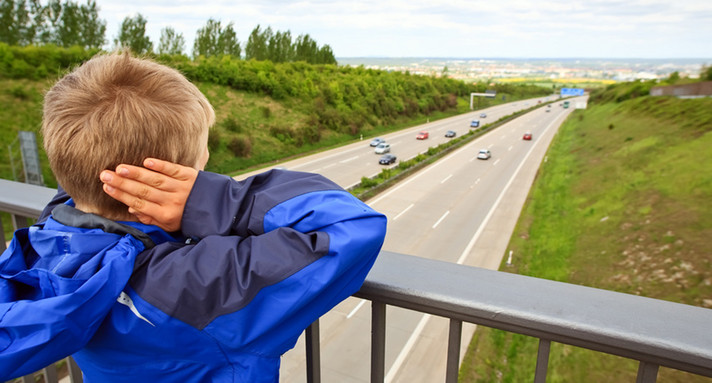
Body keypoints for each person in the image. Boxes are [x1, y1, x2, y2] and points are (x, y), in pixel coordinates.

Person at [0, 51, 387, 382]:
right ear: (173, 179)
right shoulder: (192, 285)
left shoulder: (45, 247)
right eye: (202, 157)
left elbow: (80, 186)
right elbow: (351, 225)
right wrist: (216, 200)